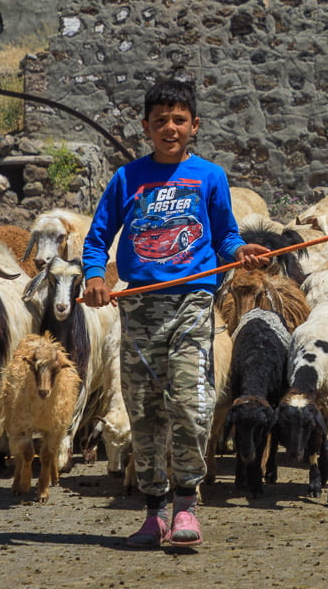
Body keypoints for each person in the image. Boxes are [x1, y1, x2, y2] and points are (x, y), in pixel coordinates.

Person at [83, 77, 271, 548]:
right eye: (161, 120)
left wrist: (240, 249)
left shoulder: (210, 176)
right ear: (146, 126)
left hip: (191, 303)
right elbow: (96, 239)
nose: (170, 127)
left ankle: (187, 504)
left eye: (179, 120)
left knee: (189, 402)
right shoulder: (126, 179)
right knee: (144, 411)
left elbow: (224, 235)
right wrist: (96, 278)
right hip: (140, 306)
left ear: (194, 126)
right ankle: (154, 510)